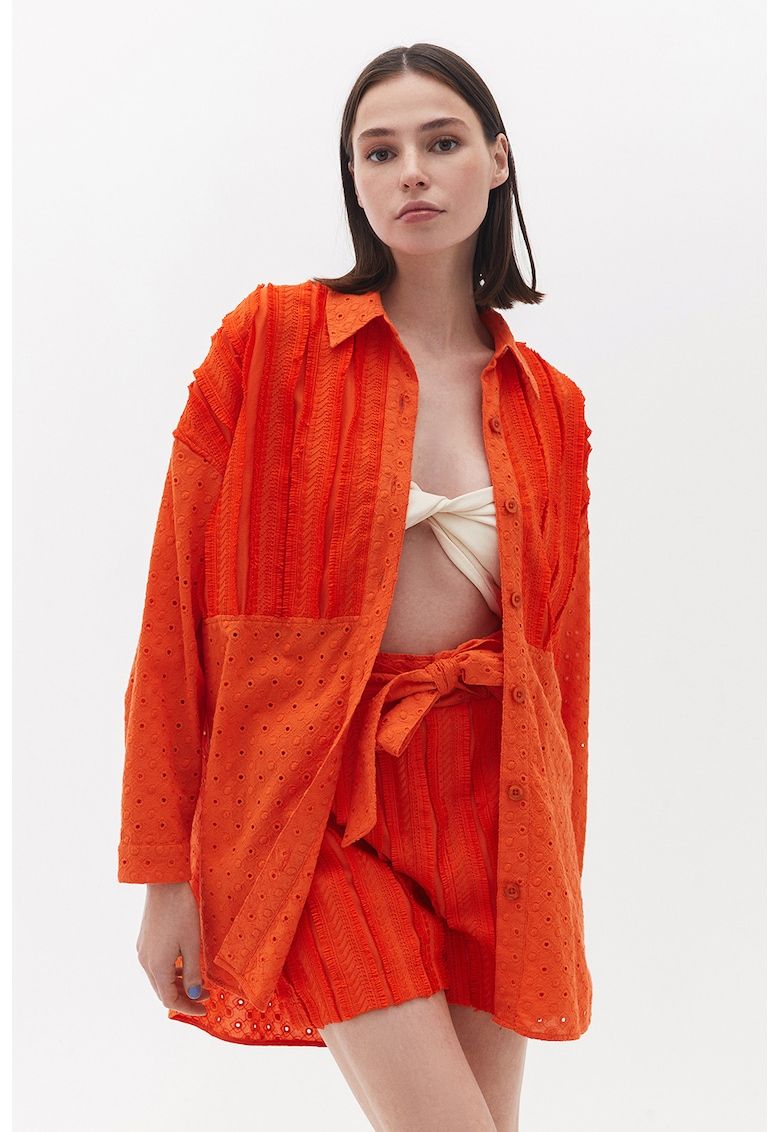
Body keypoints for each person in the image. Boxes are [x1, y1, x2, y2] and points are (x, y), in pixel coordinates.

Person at [119, 42, 594, 1132]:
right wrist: (163, 872)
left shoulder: (550, 405)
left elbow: (560, 671)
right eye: (379, 152)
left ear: (497, 160)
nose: (410, 171)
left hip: (496, 809)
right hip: (315, 802)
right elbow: (172, 612)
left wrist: (557, 888)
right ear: (354, 178)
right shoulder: (270, 343)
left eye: (441, 142)